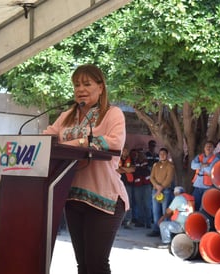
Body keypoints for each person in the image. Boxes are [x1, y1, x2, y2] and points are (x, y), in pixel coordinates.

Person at [43, 64, 128, 274]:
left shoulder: (112, 114)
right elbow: (47, 137)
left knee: (96, 265)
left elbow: (114, 142)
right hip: (73, 198)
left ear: (100, 87)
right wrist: (81, 142)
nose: (80, 89)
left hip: (104, 199)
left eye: (87, 84)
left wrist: (79, 143)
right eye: (76, 84)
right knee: (83, 266)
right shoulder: (67, 115)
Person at [147, 147, 175, 237]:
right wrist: (157, 187)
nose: (162, 155)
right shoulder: (156, 165)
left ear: (167, 155)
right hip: (155, 190)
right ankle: (156, 229)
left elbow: (169, 179)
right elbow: (151, 177)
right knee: (155, 211)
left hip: (165, 190)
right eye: (160, 154)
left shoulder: (170, 166)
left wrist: (160, 188)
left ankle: (165, 232)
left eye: (164, 153)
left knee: (165, 211)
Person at [191, 140, 220, 211]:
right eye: (207, 146)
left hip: (207, 187)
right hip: (197, 185)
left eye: (210, 146)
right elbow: (192, 166)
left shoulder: (216, 159)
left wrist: (200, 166)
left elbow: (211, 170)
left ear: (213, 149)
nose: (208, 148)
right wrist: (203, 165)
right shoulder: (199, 156)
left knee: (206, 207)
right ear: (204, 148)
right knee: (194, 206)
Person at [117, 146, 136, 229]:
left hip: (128, 184)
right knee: (118, 202)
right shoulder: (117, 158)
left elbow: (132, 169)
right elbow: (115, 169)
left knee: (128, 202)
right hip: (118, 183)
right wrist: (126, 169)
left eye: (127, 151)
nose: (125, 152)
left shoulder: (131, 159)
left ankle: (127, 221)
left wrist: (122, 169)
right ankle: (119, 220)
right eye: (124, 151)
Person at [133, 150, 152, 228]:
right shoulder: (134, 162)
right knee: (139, 204)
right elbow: (134, 171)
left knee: (147, 204)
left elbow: (148, 172)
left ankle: (148, 222)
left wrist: (141, 169)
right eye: (139, 154)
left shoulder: (148, 162)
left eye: (142, 154)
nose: (141, 155)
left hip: (146, 185)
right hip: (137, 185)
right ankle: (141, 221)